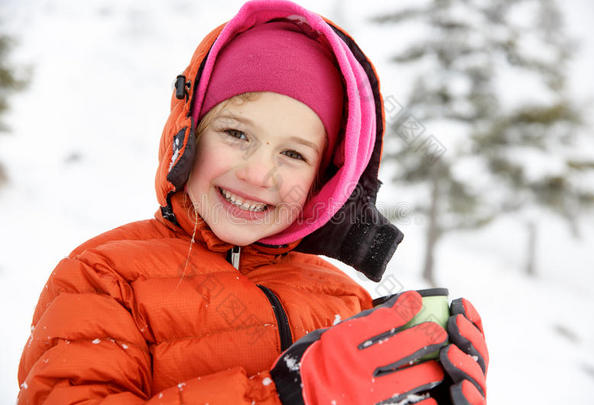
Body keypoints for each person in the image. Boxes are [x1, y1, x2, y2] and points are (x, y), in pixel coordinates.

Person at [17, 1, 489, 404]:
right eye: (237, 133)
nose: (259, 173)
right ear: (190, 133)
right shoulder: (103, 277)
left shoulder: (345, 300)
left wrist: (425, 388)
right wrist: (285, 393)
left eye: (293, 153)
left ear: (326, 179)